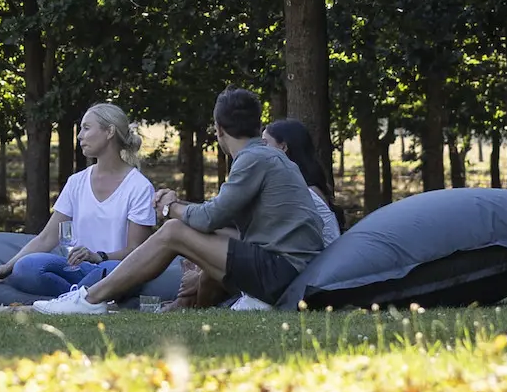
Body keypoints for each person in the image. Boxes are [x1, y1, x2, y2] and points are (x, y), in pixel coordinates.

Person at [42, 88, 331, 313]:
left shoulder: (253, 160)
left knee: (173, 231)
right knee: (193, 230)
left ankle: (89, 300)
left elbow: (208, 218)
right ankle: (94, 297)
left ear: (218, 129)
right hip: (285, 269)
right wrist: (180, 205)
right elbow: (218, 215)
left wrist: (170, 207)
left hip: (282, 272)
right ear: (257, 125)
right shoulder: (268, 157)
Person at [0, 102, 160, 297]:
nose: (79, 136)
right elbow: (47, 237)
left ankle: (73, 299)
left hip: (114, 269)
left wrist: (98, 257)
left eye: (86, 128)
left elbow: (137, 251)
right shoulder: (77, 182)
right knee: (26, 267)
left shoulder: (139, 187)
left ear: (109, 131)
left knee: (110, 270)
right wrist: (8, 266)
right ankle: (79, 298)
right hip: (76, 270)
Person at [265, 119, 345, 247]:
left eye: (265, 143)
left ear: (283, 147)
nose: (260, 149)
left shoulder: (307, 192)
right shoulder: (301, 184)